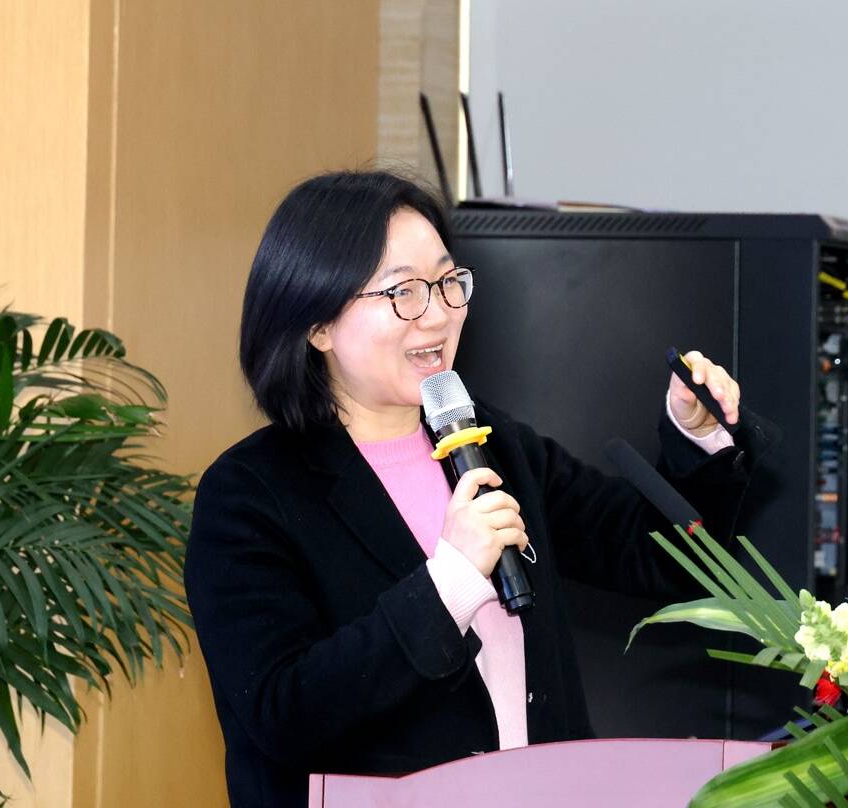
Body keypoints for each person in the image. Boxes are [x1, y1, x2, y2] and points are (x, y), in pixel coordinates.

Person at [184, 170, 772, 807]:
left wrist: (698, 440)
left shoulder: (489, 443)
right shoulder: (250, 494)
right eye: (403, 291)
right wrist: (451, 583)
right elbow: (281, 713)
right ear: (317, 322)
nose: (437, 314)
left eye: (447, 282)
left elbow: (660, 557)